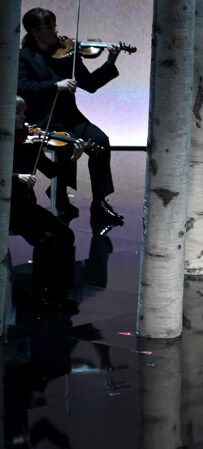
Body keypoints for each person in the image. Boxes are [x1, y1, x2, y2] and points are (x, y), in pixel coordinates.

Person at [18, 7, 124, 222]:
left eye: (55, 25)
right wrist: (55, 85)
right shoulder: (24, 57)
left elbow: (90, 85)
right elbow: (22, 88)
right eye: (49, 27)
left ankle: (100, 202)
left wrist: (110, 61)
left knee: (101, 142)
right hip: (42, 120)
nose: (56, 31)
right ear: (35, 31)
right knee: (68, 145)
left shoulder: (66, 54)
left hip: (70, 117)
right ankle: (59, 193)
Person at [10, 96, 87, 312]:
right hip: (8, 208)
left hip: (26, 205)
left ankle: (58, 293)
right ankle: (39, 296)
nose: (24, 117)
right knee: (45, 241)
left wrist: (72, 158)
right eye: (18, 113)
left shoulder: (30, 142)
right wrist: (17, 177)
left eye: (24, 112)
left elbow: (51, 171)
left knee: (66, 235)